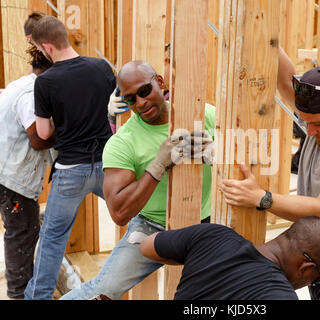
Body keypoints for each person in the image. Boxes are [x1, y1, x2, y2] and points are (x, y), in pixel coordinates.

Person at [220, 57, 320, 300]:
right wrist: (270, 39)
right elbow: (286, 81)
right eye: (306, 121)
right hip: (313, 266)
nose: (309, 131)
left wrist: (261, 198)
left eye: (316, 124)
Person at [60, 60, 215, 300]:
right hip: (152, 226)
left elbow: (250, 151)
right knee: (101, 291)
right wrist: (157, 166)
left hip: (207, 222)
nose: (141, 103)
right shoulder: (123, 142)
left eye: (145, 91)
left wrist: (218, 153)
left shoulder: (204, 115)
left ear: (160, 83)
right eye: (131, 99)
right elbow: (119, 213)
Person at [24, 16, 116, 300]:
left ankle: (36, 297)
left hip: (70, 171)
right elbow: (112, 112)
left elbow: (42, 132)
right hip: (108, 164)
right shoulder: (102, 67)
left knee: (52, 239)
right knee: (141, 217)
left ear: (48, 47)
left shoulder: (46, 82)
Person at [139, 216, 320, 300]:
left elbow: (147, 246)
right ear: (306, 268)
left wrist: (194, 257)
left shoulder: (212, 235)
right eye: (317, 278)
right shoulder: (281, 296)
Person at [0, 43, 54, 300]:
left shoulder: (21, 84)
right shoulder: (33, 92)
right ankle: (19, 295)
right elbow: (38, 139)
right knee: (22, 232)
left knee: (23, 229)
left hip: (7, 172)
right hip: (12, 179)